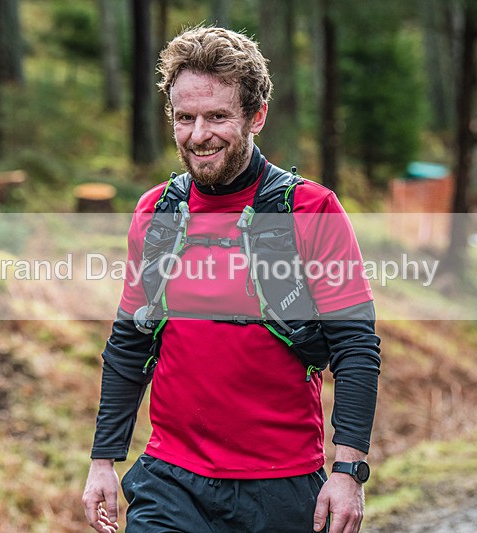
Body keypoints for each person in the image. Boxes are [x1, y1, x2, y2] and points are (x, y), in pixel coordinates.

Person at [82, 26, 381, 533]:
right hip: (171, 482)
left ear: (256, 116)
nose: (199, 135)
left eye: (218, 116)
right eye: (185, 118)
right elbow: (130, 340)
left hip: (282, 487)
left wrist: (348, 469)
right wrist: (102, 461)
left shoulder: (311, 209)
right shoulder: (156, 213)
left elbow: (355, 345)